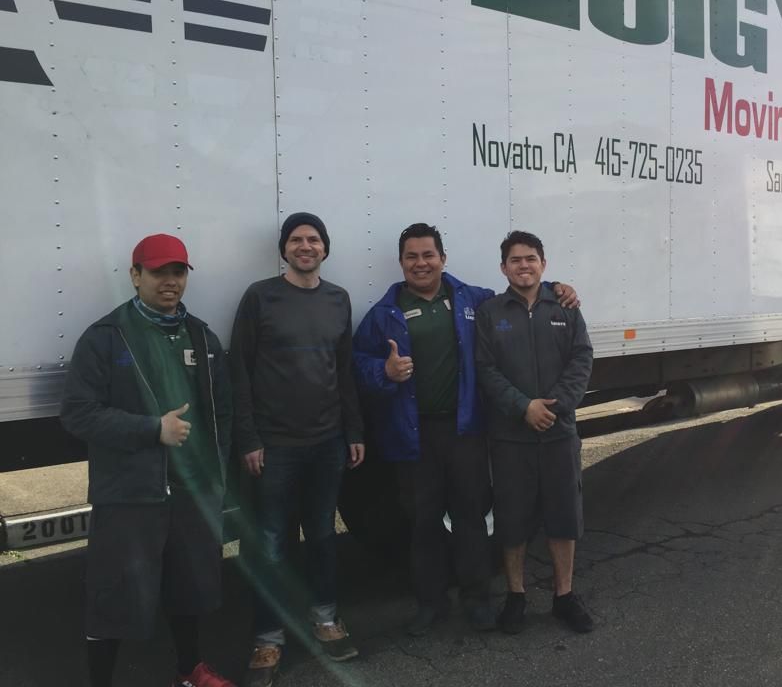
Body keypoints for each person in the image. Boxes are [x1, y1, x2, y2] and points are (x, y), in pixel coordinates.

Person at [352, 223, 577, 637]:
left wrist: (559, 287)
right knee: (422, 522)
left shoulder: (473, 300)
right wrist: (383, 371)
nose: (421, 263)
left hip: (465, 429)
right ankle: (429, 603)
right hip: (413, 433)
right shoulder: (384, 314)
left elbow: (522, 293)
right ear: (401, 263)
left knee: (470, 518)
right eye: (412, 257)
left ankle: (477, 600)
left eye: (428, 255)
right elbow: (359, 365)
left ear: (443, 258)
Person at [61, 234, 234, 687]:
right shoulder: (106, 338)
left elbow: (224, 411)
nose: (170, 281)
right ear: (135, 275)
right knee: (113, 597)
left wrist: (215, 472)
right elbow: (79, 414)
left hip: (191, 493)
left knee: (189, 588)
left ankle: (190, 669)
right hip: (130, 493)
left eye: (178, 272)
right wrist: (151, 429)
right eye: (158, 272)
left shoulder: (202, 335)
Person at [230, 213, 365, 687]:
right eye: (296, 240)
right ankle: (268, 639)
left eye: (313, 239)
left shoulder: (338, 299)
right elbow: (239, 373)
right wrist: (248, 439)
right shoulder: (260, 297)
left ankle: (325, 618)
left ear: (325, 248)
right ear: (284, 250)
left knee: (323, 535)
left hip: (328, 442)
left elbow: (344, 371)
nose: (305, 246)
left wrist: (354, 431)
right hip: (275, 447)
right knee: (269, 543)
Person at [474, 230, 595, 635]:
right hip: (511, 437)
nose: (523, 265)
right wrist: (523, 406)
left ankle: (564, 596)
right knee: (512, 519)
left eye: (530, 258)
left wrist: (555, 406)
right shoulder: (491, 312)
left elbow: (582, 358)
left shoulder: (565, 307)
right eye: (514, 260)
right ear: (503, 267)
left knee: (564, 517)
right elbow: (485, 369)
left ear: (543, 263)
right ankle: (516, 596)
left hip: (559, 433)